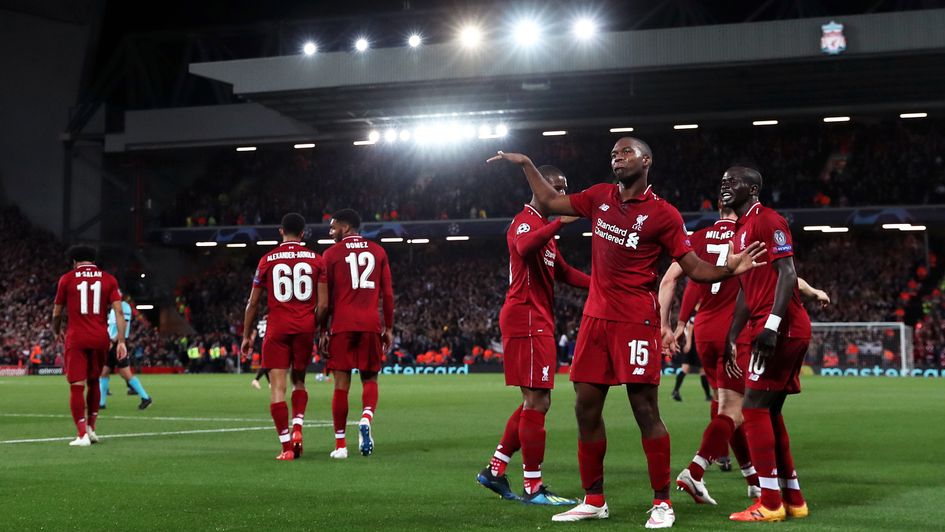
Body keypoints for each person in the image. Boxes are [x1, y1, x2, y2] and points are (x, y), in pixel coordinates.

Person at [488, 140, 766, 529]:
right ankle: (594, 499)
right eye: (614, 153)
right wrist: (526, 164)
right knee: (585, 408)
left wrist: (729, 269)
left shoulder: (664, 214)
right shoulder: (599, 197)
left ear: (646, 161)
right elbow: (549, 202)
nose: (617, 157)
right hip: (595, 321)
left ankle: (662, 502)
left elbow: (693, 267)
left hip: (636, 322)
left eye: (626, 152)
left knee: (646, 411)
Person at [476, 165, 590, 505]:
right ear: (538, 189)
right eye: (554, 188)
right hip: (526, 318)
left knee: (533, 401)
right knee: (538, 401)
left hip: (535, 319)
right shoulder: (526, 221)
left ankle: (495, 471)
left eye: (563, 189)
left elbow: (564, 272)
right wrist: (559, 223)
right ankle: (533, 487)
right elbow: (524, 247)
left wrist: (603, 283)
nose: (560, 195)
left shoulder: (544, 228)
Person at [721, 166, 812, 522]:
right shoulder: (741, 230)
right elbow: (748, 289)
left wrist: (771, 327)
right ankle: (793, 500)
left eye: (734, 181)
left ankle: (770, 503)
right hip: (767, 326)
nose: (726, 185)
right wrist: (733, 333)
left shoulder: (768, 220)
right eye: (723, 182)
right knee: (770, 412)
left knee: (753, 409)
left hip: (781, 328)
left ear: (754, 188)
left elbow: (788, 273)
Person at [241, 213, 327, 461]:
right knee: (299, 381)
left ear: (281, 231)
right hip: (304, 328)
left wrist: (247, 335)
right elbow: (323, 305)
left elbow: (253, 303)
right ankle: (298, 427)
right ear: (303, 233)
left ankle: (287, 446)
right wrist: (320, 330)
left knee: (277, 389)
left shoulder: (267, 260)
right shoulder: (316, 260)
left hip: (277, 329)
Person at [317, 209, 394, 459]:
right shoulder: (378, 251)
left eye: (333, 227)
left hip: (341, 325)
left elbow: (325, 303)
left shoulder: (330, 255)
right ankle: (366, 417)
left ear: (346, 227)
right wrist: (389, 328)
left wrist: (323, 330)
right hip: (371, 324)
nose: (330, 233)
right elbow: (388, 295)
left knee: (341, 386)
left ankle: (340, 446)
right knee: (370, 380)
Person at [52, 245, 127, 447]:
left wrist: (55, 330)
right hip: (100, 338)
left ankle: (81, 434)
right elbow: (119, 313)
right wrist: (121, 341)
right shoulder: (109, 279)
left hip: (76, 338)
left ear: (75, 261)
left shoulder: (67, 279)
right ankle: (92, 429)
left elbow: (57, 312)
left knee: (77, 385)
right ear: (93, 260)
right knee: (95, 381)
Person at [100, 297, 152, 410]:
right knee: (104, 372)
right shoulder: (113, 308)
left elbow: (123, 325)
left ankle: (145, 397)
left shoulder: (124, 306)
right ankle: (101, 403)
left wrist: (113, 341)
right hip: (111, 344)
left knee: (126, 374)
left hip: (118, 344)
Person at [669, 317, 712, 403]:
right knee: (701, 371)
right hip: (695, 346)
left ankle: (676, 390)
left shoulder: (694, 315)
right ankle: (707, 395)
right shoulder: (696, 315)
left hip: (695, 345)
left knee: (686, 369)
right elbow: (690, 329)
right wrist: (688, 344)